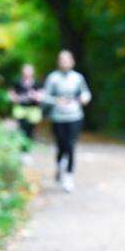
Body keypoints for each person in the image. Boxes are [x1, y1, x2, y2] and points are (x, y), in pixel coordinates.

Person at [42, 50, 91, 193]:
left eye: (67, 60)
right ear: (58, 62)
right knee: (61, 145)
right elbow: (45, 97)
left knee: (71, 145)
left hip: (74, 116)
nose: (65, 63)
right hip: (58, 117)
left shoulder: (78, 78)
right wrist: (56, 101)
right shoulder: (53, 78)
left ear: (72, 61)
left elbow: (86, 93)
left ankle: (68, 177)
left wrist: (84, 98)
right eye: (62, 60)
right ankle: (59, 165)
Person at [8, 64, 44, 163]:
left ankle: (27, 152)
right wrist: (16, 98)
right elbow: (11, 95)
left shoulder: (37, 83)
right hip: (21, 110)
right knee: (22, 131)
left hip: (33, 111)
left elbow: (41, 96)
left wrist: (35, 96)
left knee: (30, 132)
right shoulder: (17, 82)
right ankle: (22, 152)